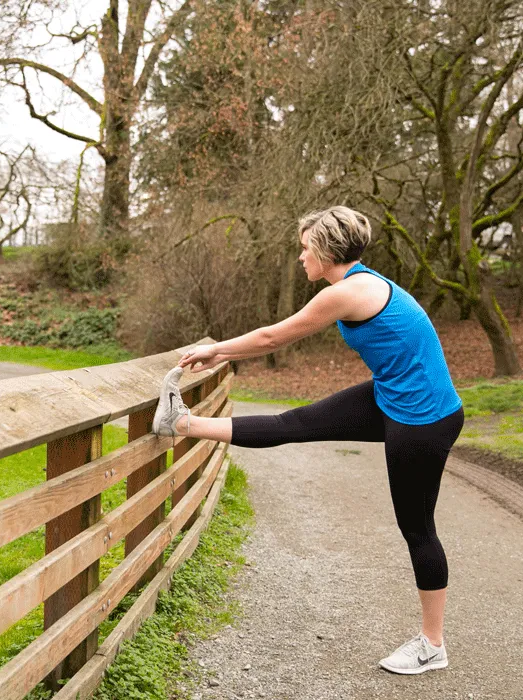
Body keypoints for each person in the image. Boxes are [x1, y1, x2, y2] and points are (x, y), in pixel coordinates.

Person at [152, 206, 464, 675]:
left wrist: (217, 349)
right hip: (391, 396)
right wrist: (223, 351)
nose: (300, 257)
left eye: (304, 248)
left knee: (417, 528)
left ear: (324, 250)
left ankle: (432, 645)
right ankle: (183, 425)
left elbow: (274, 337)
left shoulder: (348, 292)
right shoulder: (358, 283)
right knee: (294, 424)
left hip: (424, 417)